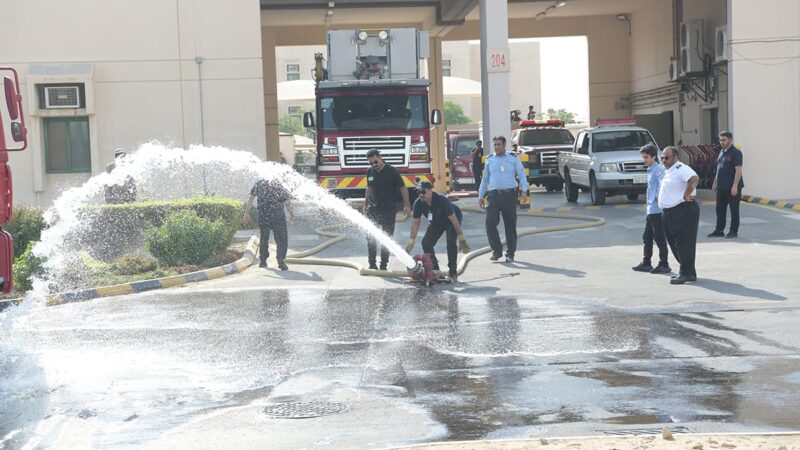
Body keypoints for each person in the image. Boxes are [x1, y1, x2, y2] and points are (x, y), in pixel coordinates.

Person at [405, 181, 471, 282]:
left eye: (423, 192)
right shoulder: (418, 203)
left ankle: (452, 273)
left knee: (451, 242)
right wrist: (411, 241)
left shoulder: (441, 200)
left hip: (450, 220)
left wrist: (461, 239)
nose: (421, 195)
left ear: (430, 190)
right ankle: (434, 271)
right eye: (418, 192)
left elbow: (454, 220)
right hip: (436, 222)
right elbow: (415, 223)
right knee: (426, 243)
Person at [478, 135, 529, 262]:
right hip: (493, 195)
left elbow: (521, 175)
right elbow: (485, 179)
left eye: (499, 144)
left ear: (504, 145)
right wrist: (480, 195)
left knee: (510, 225)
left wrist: (524, 191)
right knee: (490, 222)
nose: (496, 147)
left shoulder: (513, 158)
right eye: (495, 145)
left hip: (509, 195)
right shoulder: (490, 160)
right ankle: (496, 250)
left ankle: (510, 253)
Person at [364, 148, 411, 270]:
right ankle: (372, 264)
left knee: (386, 237)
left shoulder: (391, 171)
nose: (374, 165)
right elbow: (369, 187)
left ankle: (383, 264)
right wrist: (365, 204)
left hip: (389, 210)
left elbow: (403, 187)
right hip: (374, 209)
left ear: (380, 157)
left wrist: (407, 205)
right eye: (371, 163)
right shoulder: (370, 172)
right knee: (371, 236)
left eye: (375, 162)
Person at [658, 147, 700, 285]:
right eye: (662, 158)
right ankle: (688, 270)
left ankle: (686, 273)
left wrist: (686, 194)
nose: (664, 160)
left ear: (675, 157)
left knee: (683, 243)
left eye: (667, 158)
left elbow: (694, 178)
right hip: (670, 212)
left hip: (682, 210)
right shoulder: (669, 171)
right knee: (675, 243)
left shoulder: (681, 168)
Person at [632, 144, 671, 274]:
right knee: (647, 237)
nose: (644, 160)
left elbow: (662, 185)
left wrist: (656, 198)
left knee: (659, 238)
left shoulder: (657, 170)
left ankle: (664, 264)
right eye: (643, 157)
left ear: (654, 157)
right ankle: (646, 262)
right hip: (651, 210)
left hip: (657, 210)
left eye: (647, 157)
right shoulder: (650, 170)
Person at [243, 177, 294, 270]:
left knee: (264, 238)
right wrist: (291, 214)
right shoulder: (279, 184)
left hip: (263, 215)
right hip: (277, 216)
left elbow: (250, 198)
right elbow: (287, 202)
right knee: (281, 238)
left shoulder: (260, 183)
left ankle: (263, 261)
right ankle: (281, 260)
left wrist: (246, 212)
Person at [708, 131, 744, 239]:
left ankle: (733, 231)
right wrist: (715, 182)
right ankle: (719, 230)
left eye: (724, 140)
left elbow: (738, 170)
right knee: (720, 210)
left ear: (730, 140)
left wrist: (735, 186)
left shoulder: (736, 153)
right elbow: (719, 169)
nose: (721, 142)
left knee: (734, 210)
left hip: (732, 187)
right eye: (720, 140)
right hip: (721, 187)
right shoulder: (721, 152)